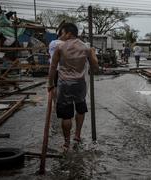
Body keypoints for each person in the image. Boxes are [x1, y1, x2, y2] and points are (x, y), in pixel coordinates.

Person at [47, 23, 99, 151]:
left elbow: (53, 67)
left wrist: (50, 83)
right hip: (80, 83)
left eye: (63, 33)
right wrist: (93, 54)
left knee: (66, 115)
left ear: (69, 33)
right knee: (80, 108)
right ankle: (77, 135)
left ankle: (66, 143)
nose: (61, 36)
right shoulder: (86, 48)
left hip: (64, 84)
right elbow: (95, 68)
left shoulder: (60, 47)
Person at [48, 26, 65, 108]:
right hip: (62, 69)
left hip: (54, 69)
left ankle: (55, 104)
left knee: (55, 86)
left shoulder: (52, 43)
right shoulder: (61, 43)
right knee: (62, 87)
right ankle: (61, 103)